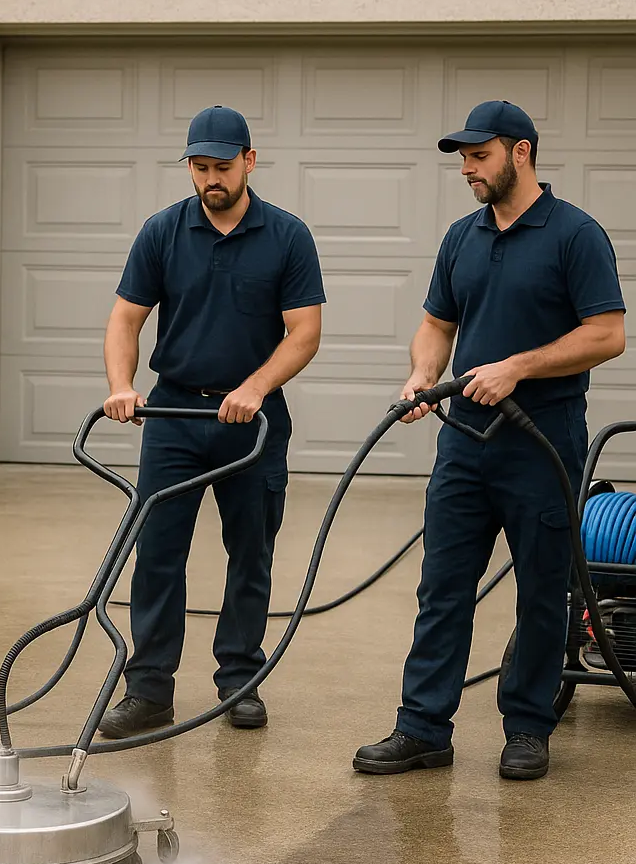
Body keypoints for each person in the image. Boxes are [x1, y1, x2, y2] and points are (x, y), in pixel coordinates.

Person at [354, 100, 626, 780]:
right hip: (464, 443)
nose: (468, 169)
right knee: (442, 586)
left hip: (543, 443)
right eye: (464, 159)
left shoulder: (575, 235)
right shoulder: (462, 237)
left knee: (541, 590)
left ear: (520, 152)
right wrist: (423, 375)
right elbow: (437, 324)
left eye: (480, 156)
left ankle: (528, 728)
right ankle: (422, 728)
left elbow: (607, 334)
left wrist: (518, 367)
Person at [97, 105, 325, 738]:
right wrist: (121, 385)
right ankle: (148, 690)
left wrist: (256, 386)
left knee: (250, 552)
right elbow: (125, 319)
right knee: (157, 552)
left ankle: (239, 683)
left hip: (251, 419)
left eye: (221, 167)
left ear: (249, 161)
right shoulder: (162, 232)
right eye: (199, 168)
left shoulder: (287, 236)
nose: (210, 179)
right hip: (173, 413)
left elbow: (304, 333)